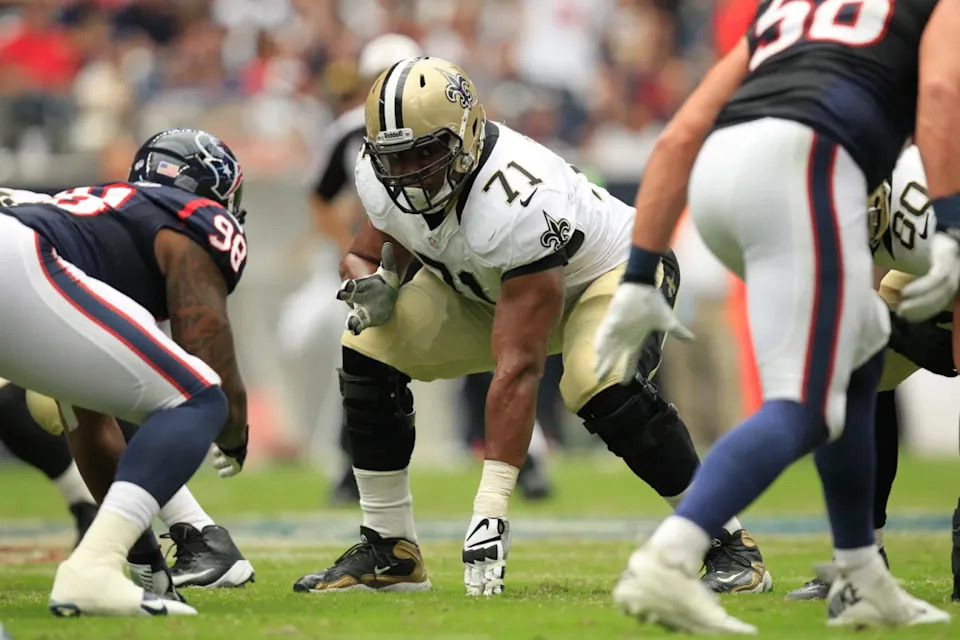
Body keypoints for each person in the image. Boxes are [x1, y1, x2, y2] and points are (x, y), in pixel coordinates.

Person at [292, 56, 771, 596]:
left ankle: (730, 544)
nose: (411, 175)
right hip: (493, 289)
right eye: (397, 159)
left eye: (427, 153)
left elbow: (519, 364)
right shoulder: (381, 175)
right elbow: (370, 246)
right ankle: (390, 550)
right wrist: (371, 278)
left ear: (468, 136)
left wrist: (490, 509)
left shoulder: (518, 197)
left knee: (594, 381)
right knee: (367, 342)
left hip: (613, 273)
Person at [593, 0, 958, 632]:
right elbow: (941, 86)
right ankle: (669, 559)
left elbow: (683, 131)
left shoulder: (788, 11)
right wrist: (951, 222)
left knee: (864, 345)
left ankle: (861, 571)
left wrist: (638, 272)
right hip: (807, 162)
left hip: (722, 175)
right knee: (806, 406)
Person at [0, 128, 250, 617]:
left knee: (87, 415)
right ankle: (92, 570)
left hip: (24, 261)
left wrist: (147, 566)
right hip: (18, 259)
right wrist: (234, 428)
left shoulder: (92, 211)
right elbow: (205, 344)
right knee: (199, 397)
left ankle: (131, 567)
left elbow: (91, 435)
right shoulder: (195, 218)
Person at [789, 145, 960, 600]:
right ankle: (862, 556)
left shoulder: (921, 205)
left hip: (950, 253)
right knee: (853, 370)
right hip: (930, 262)